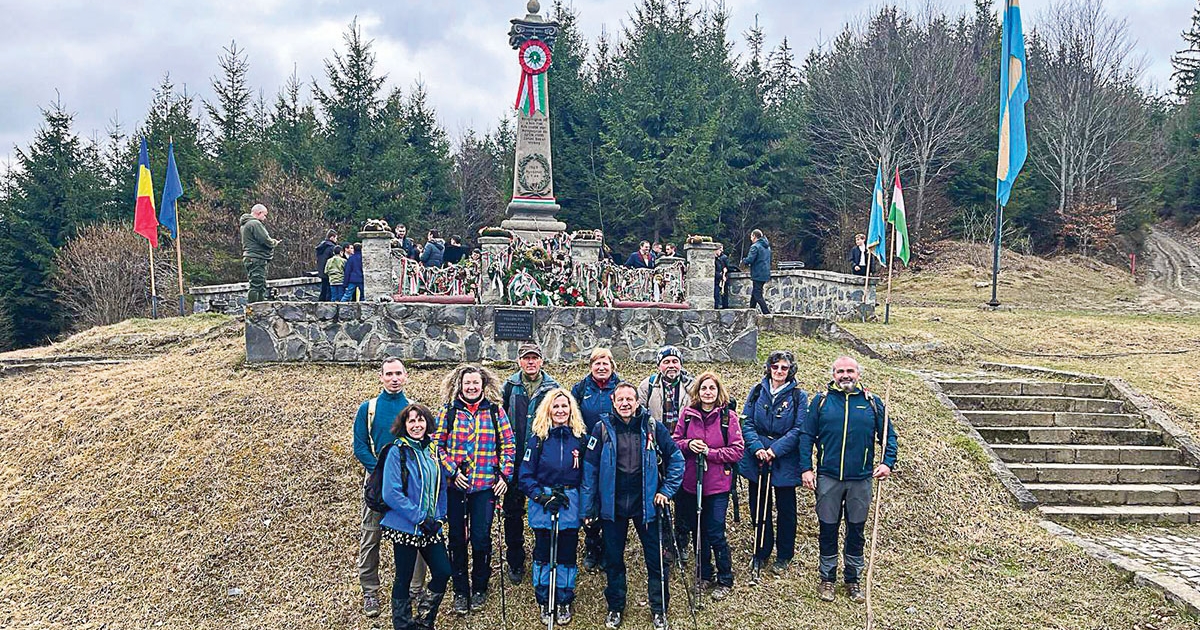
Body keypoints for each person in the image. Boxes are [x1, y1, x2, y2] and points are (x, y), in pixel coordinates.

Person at [581, 382, 684, 630]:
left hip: (646, 506)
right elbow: (590, 470)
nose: (625, 403)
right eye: (621, 399)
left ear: (638, 402)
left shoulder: (652, 426)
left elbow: (676, 459)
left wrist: (666, 491)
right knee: (614, 560)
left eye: (630, 399)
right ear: (613, 402)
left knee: (656, 560)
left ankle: (659, 609)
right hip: (612, 506)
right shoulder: (601, 428)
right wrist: (588, 507)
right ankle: (615, 607)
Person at [800, 356, 898, 604]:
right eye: (841, 371)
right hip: (828, 477)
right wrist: (806, 468)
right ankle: (827, 578)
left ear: (858, 374)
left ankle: (853, 579)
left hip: (861, 479)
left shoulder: (872, 403)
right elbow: (806, 436)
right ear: (833, 374)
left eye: (850, 371)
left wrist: (887, 463)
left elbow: (889, 437)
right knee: (828, 529)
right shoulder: (821, 402)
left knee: (856, 530)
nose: (846, 375)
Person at [432, 365, 516, 615]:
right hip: (455, 487)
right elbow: (436, 445)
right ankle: (460, 590)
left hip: (484, 487)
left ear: (483, 384)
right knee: (457, 539)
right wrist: (452, 471)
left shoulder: (495, 411)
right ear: (460, 385)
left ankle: (480, 586)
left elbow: (508, 444)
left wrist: (504, 475)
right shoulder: (448, 411)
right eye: (467, 383)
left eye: (475, 383)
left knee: (481, 538)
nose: (471, 387)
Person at [672, 372, 744, 601]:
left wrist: (710, 453)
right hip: (691, 484)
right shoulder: (687, 415)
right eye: (704, 388)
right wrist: (689, 444)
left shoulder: (728, 418)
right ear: (697, 391)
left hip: (717, 486)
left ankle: (725, 577)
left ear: (718, 391)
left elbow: (737, 450)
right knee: (698, 531)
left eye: (712, 388)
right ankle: (704, 574)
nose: (708, 392)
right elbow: (675, 442)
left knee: (715, 531)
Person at [518, 388, 587, 625]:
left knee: (567, 552)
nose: (560, 410)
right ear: (548, 409)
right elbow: (525, 475)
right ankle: (544, 597)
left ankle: (564, 598)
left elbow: (587, 475)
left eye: (564, 406)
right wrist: (541, 497)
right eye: (555, 406)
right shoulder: (537, 440)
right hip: (544, 502)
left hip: (569, 501)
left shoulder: (580, 439)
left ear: (571, 409)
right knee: (543, 552)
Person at [381, 403, 452, 630]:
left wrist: (439, 517)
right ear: (404, 425)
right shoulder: (397, 451)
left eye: (420, 420)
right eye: (411, 420)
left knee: (443, 571)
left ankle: (423, 621)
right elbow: (391, 493)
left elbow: (441, 487)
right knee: (404, 578)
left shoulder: (432, 450)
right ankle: (403, 625)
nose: (416, 425)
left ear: (427, 423)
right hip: (406, 526)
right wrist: (420, 517)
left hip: (431, 526)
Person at [738, 350, 807, 580]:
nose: (779, 371)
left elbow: (799, 428)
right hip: (757, 457)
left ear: (790, 370)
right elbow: (746, 421)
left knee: (786, 509)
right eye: (775, 366)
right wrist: (757, 447)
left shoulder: (799, 396)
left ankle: (784, 554)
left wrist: (775, 450)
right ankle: (761, 550)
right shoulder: (757, 391)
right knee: (759, 506)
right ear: (769, 368)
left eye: (784, 367)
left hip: (784, 458)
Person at [352, 357, 412, 618]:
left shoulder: (412, 409)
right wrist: (380, 472)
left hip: (407, 483)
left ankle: (415, 589)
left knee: (413, 535)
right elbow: (360, 446)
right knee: (371, 536)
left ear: (406, 376)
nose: (394, 378)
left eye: (398, 373)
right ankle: (370, 591)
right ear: (381, 377)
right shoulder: (368, 409)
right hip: (376, 483)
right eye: (389, 374)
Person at [500, 343, 560, 585]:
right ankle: (515, 560)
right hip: (514, 461)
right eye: (526, 358)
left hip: (541, 462)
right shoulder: (509, 386)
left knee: (542, 510)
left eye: (535, 358)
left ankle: (541, 556)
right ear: (519, 362)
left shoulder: (553, 388)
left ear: (542, 361)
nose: (531, 362)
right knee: (512, 513)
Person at [638, 345, 696, 556]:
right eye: (666, 362)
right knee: (659, 494)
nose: (671, 365)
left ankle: (682, 539)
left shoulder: (692, 385)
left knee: (683, 497)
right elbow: (639, 412)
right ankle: (666, 542)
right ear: (659, 365)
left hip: (684, 447)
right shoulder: (648, 385)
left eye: (675, 361)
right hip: (657, 448)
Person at [570, 348, 623, 571]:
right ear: (590, 366)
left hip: (615, 453)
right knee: (589, 498)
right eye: (597, 363)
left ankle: (609, 547)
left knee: (610, 499)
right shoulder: (580, 389)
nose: (601, 368)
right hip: (588, 452)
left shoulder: (621, 388)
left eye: (605, 363)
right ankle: (592, 544)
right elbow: (571, 418)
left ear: (612, 366)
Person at [239, 203, 281, 304]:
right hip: (257, 258)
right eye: (264, 215)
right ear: (259, 213)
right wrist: (274, 242)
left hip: (251, 257)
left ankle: (260, 307)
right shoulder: (255, 224)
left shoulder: (245, 224)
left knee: (260, 284)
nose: (265, 218)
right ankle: (253, 308)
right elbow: (265, 240)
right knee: (256, 285)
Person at [742, 228, 772, 314]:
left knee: (757, 295)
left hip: (757, 273)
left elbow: (750, 259)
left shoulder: (755, 246)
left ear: (754, 236)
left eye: (751, 236)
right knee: (755, 293)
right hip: (765, 273)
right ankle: (751, 312)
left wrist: (744, 261)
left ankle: (767, 313)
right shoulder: (767, 247)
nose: (750, 238)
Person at [316, 229, 338, 301]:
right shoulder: (331, 247)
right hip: (329, 271)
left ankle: (321, 301)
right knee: (329, 290)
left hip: (322, 270)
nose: (336, 240)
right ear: (332, 237)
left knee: (324, 289)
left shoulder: (321, 247)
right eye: (336, 238)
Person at [713, 243, 733, 309]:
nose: (721, 251)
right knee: (717, 295)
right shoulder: (716, 259)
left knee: (723, 294)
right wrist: (721, 276)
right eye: (720, 250)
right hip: (718, 280)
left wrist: (724, 273)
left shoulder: (720, 258)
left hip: (721, 279)